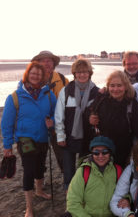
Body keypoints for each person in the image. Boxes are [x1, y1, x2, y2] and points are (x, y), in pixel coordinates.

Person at [1, 62, 57, 217]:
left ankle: (39, 191)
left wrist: (51, 120)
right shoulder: (15, 96)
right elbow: (7, 123)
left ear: (42, 77)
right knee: (29, 170)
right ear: (27, 74)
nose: (35, 76)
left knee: (40, 167)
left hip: (43, 138)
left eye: (39, 74)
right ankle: (29, 208)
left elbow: (56, 111)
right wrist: (7, 145)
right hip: (25, 139)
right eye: (33, 73)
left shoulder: (47, 94)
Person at [88, 70, 138, 168]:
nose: (115, 89)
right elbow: (90, 112)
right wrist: (90, 119)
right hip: (103, 151)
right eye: (112, 85)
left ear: (126, 87)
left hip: (123, 152)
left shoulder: (132, 105)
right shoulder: (102, 100)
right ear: (108, 87)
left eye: (119, 85)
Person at [55, 59, 99, 191]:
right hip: (69, 137)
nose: (82, 75)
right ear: (74, 73)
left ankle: (84, 192)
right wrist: (60, 136)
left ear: (89, 73)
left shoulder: (96, 92)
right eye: (79, 72)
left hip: (88, 137)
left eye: (85, 72)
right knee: (68, 171)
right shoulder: (66, 90)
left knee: (85, 169)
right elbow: (59, 114)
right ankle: (69, 197)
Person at [66, 136, 122, 216]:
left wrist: (126, 199)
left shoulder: (118, 171)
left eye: (105, 152)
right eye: (96, 152)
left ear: (110, 153)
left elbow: (124, 194)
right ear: (92, 154)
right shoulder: (83, 172)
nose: (100, 156)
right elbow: (72, 203)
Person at [32, 50, 69, 172]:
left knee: (63, 157)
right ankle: (39, 187)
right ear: (38, 64)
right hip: (38, 126)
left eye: (49, 60)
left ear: (53, 63)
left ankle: (68, 183)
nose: (46, 63)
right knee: (38, 159)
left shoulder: (63, 80)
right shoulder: (32, 80)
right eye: (43, 60)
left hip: (59, 125)